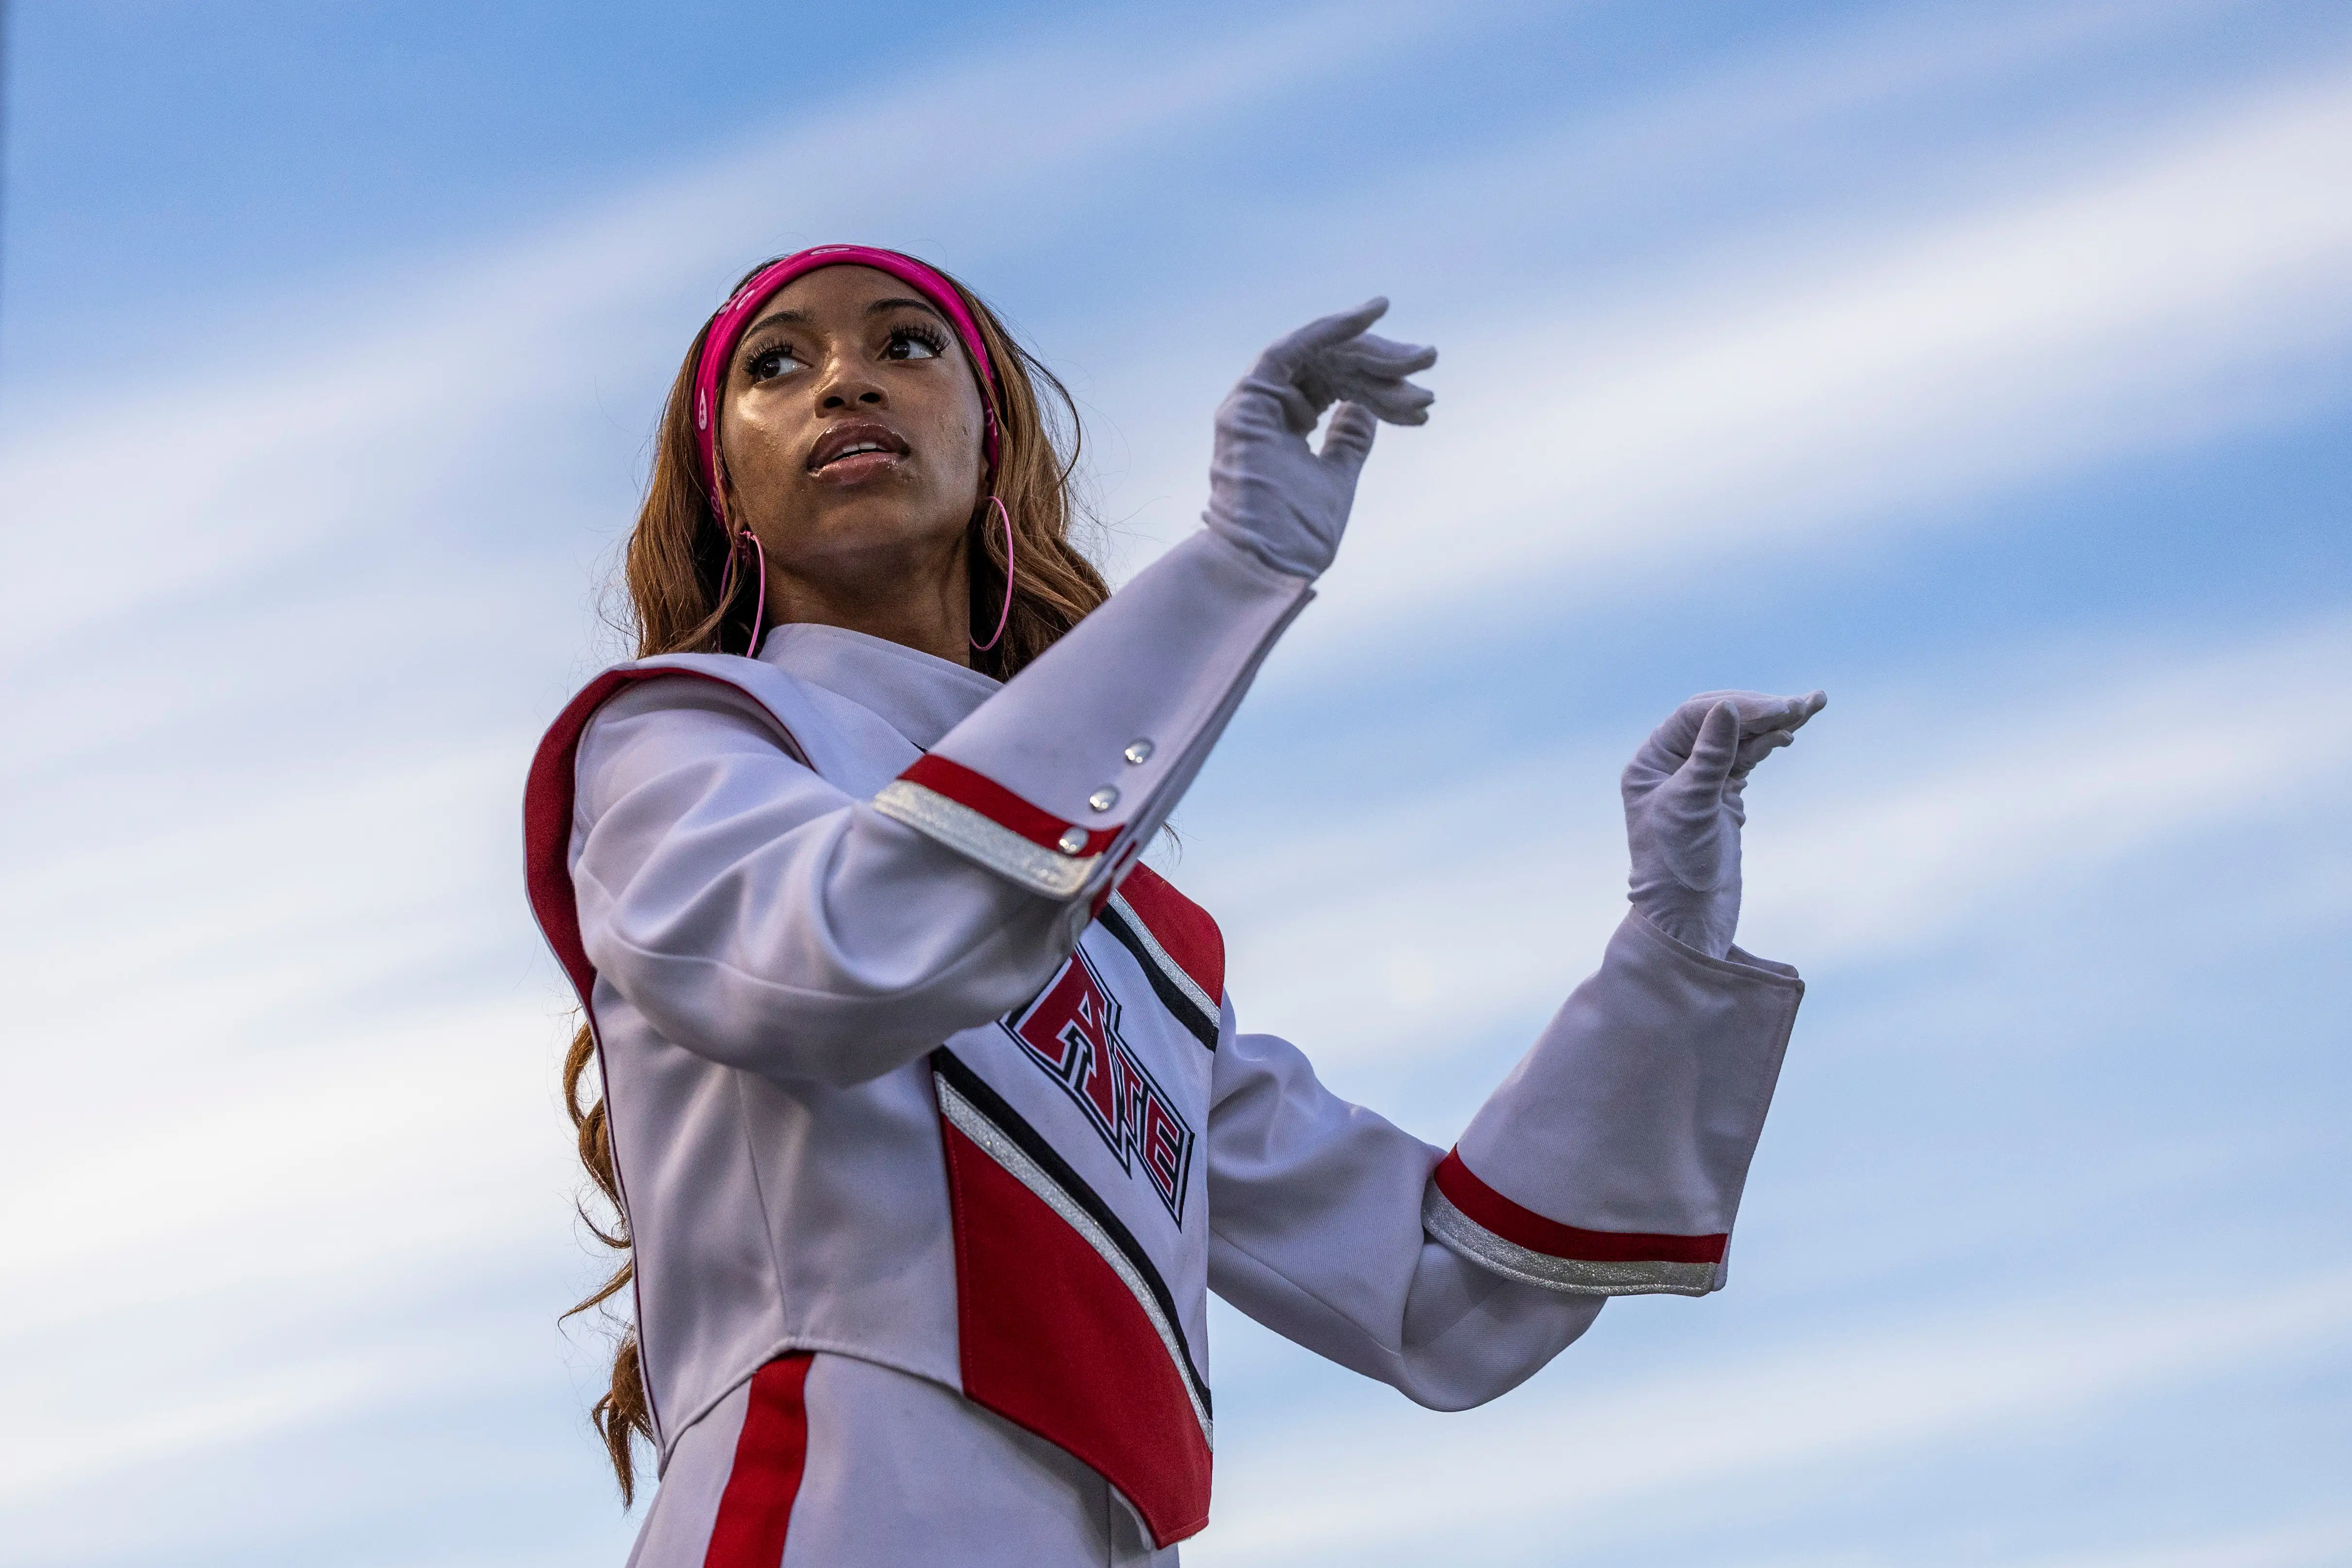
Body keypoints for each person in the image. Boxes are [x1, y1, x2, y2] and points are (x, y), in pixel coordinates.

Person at [523, 245, 1824, 1568]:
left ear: (995, 456)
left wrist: (1668, 956)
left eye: (908, 345)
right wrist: (1236, 567)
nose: (845, 380)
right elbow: (842, 952)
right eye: (777, 365)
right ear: (725, 487)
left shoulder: (1136, 948)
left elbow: (1446, 1292)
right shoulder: (679, 746)